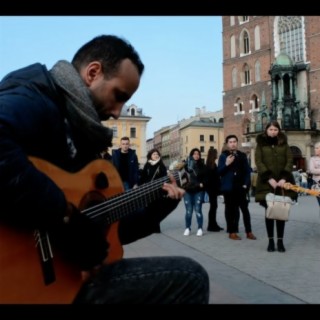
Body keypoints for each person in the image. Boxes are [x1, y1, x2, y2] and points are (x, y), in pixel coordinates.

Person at [0, 35, 209, 304]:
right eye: (118, 96)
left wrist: (157, 208)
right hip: (18, 279)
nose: (118, 113)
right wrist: (66, 219)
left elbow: (105, 233)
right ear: (93, 72)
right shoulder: (35, 95)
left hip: (60, 277)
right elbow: (76, 227)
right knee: (189, 278)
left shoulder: (80, 130)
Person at [255, 121, 295, 253]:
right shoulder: (260, 144)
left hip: (283, 183)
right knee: (269, 213)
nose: (273, 132)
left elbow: (289, 160)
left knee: (280, 213)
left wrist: (284, 177)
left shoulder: (284, 143)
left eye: (276, 129)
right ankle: (271, 240)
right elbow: (259, 162)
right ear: (266, 130)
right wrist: (269, 178)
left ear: (279, 131)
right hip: (267, 183)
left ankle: (280, 241)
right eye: (271, 129)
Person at [217, 135, 256, 241]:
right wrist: (226, 164)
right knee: (231, 210)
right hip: (229, 188)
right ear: (227, 144)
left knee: (245, 210)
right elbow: (219, 172)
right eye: (230, 142)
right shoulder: (223, 156)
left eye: (234, 141)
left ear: (237, 143)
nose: (233, 143)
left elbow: (248, 171)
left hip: (240, 187)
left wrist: (246, 184)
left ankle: (249, 232)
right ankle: (232, 232)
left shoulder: (242, 155)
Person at [183, 148, 207, 237]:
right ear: (191, 155)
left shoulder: (202, 166)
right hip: (188, 191)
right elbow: (181, 176)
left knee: (198, 210)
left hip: (198, 191)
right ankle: (187, 228)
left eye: (198, 154)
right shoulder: (186, 166)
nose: (196, 155)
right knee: (188, 211)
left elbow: (206, 178)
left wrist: (203, 184)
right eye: (194, 154)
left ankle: (200, 228)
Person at [204, 148, 223, 232]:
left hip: (212, 189)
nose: (217, 155)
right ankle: (211, 225)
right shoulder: (211, 165)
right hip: (212, 189)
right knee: (213, 207)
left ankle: (213, 224)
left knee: (214, 207)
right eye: (216, 153)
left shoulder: (211, 164)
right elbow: (212, 178)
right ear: (213, 155)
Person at [308, 141, 320, 207]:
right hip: (317, 183)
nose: (315, 149)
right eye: (315, 148)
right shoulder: (312, 159)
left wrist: (317, 170)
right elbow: (312, 170)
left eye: (317, 148)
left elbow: (315, 170)